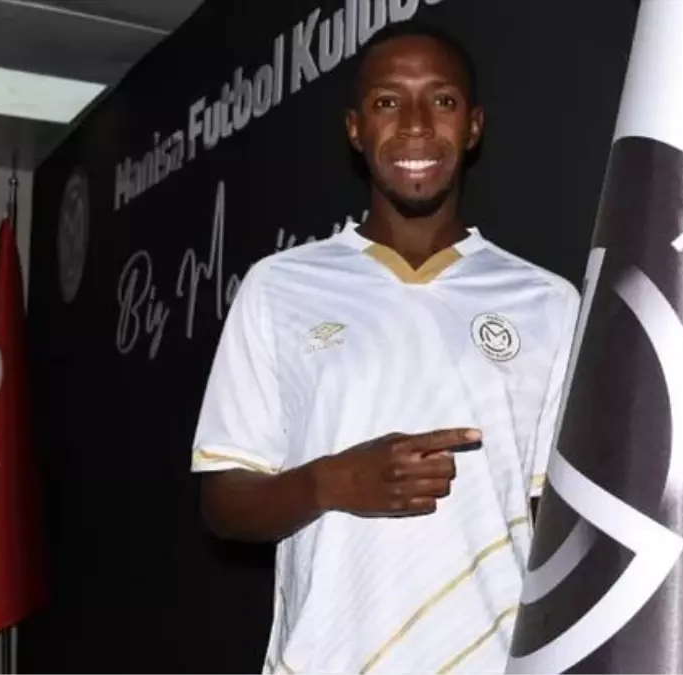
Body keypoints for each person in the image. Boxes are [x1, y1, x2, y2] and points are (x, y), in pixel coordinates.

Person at [190, 21, 581, 675]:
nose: (417, 124)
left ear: (474, 127)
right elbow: (224, 501)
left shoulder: (547, 300)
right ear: (355, 129)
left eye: (442, 100)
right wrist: (332, 480)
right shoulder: (279, 286)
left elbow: (556, 518)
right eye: (388, 101)